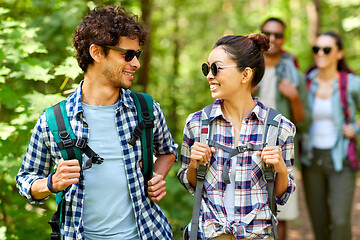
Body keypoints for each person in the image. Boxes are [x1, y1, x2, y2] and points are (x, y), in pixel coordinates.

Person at [16, 5, 177, 240]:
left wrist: (157, 178)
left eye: (137, 55)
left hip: (148, 234)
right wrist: (51, 183)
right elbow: (25, 179)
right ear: (97, 52)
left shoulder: (147, 109)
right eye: (128, 55)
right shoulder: (53, 120)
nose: (136, 64)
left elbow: (168, 151)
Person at [178, 34, 296, 240]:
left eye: (216, 68)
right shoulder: (197, 124)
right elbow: (190, 184)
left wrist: (281, 170)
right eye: (207, 69)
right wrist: (194, 165)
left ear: (245, 74)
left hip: (259, 234)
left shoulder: (280, 128)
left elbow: (281, 195)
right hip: (211, 234)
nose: (209, 76)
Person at [253, 17, 309, 240]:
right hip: (248, 144)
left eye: (277, 35)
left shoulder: (294, 74)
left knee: (281, 214)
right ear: (261, 35)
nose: (272, 39)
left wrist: (294, 97)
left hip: (281, 150)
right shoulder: (248, 67)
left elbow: (303, 120)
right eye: (268, 33)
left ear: (283, 39)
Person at [301, 31, 360, 240]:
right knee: (319, 223)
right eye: (316, 49)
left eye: (327, 49)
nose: (320, 53)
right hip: (311, 160)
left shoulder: (351, 83)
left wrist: (356, 126)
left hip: (341, 160)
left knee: (341, 221)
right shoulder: (306, 81)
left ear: (339, 54)